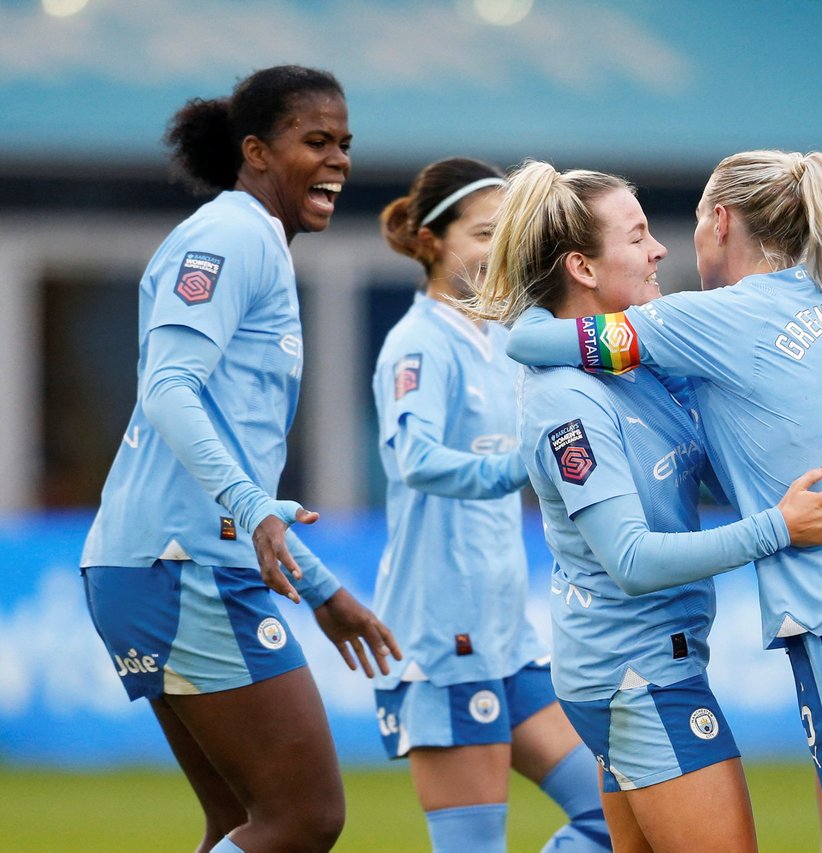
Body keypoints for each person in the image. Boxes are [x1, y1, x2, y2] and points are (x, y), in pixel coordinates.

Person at [503, 150, 822, 852]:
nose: (660, 250)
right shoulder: (809, 308)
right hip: (666, 659)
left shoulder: (691, 341)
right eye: (639, 234)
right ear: (581, 267)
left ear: (722, 220)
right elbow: (630, 555)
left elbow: (530, 339)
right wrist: (800, 513)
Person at [79, 65, 401, 853]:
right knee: (305, 817)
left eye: (345, 144)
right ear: (255, 151)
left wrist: (320, 588)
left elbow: (222, 446)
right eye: (315, 141)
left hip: (157, 561)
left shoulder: (252, 240)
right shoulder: (231, 235)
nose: (338, 160)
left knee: (241, 824)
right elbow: (169, 386)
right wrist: (254, 507)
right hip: (182, 564)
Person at [371, 157, 611, 853]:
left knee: (616, 814)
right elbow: (413, 460)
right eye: (482, 232)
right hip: (445, 635)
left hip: (507, 637)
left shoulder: (508, 336)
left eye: (505, 233)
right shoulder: (417, 343)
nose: (495, 249)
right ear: (431, 241)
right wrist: (520, 467)